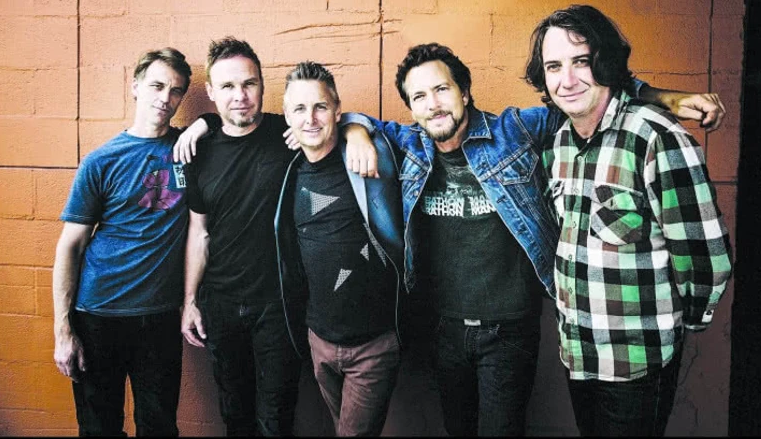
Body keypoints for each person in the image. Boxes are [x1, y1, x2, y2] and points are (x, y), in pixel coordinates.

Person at [338, 42, 726, 436]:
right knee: (457, 429)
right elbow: (353, 119)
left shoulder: (515, 130)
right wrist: (356, 132)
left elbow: (589, 97)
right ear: (411, 108)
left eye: (442, 89)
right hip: (441, 328)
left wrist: (666, 98)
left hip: (508, 330)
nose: (433, 105)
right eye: (419, 96)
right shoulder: (408, 143)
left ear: (465, 92)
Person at [524, 4, 733, 436]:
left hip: (638, 363)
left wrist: (678, 326)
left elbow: (704, 253)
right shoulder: (559, 143)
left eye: (581, 61)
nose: (567, 80)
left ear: (606, 62)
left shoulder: (656, 136)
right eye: (553, 66)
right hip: (579, 355)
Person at [53, 47, 216, 436]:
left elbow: (232, 125)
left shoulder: (188, 150)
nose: (165, 98)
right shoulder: (101, 161)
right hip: (98, 315)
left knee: (159, 427)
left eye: (176, 91)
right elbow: (69, 247)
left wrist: (204, 123)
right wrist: (63, 330)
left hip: (159, 318)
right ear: (135, 87)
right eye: (157, 86)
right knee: (99, 427)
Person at [179, 37, 304, 436]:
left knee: (276, 420)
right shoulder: (198, 151)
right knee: (235, 416)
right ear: (211, 92)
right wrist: (189, 301)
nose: (240, 96)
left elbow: (339, 119)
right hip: (221, 304)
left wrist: (356, 133)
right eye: (228, 86)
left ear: (263, 85)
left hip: (279, 305)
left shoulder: (290, 135)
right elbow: (199, 232)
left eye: (249, 83)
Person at [275, 61, 405, 436]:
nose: (310, 118)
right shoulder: (286, 168)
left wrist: (358, 128)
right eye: (299, 109)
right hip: (319, 340)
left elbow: (415, 132)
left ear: (337, 110)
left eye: (320, 106)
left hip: (373, 343)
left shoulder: (370, 155)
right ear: (287, 116)